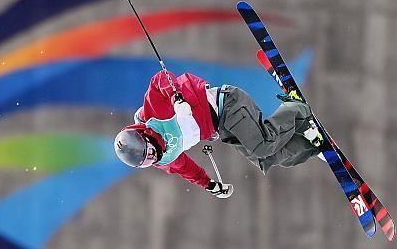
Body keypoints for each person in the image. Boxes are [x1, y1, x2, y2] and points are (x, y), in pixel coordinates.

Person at [114, 69, 325, 198]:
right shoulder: (163, 159)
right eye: (148, 160)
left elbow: (160, 78)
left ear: (144, 136)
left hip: (227, 105)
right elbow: (185, 169)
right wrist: (209, 184)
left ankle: (297, 108)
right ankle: (313, 144)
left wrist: (175, 98)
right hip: (222, 128)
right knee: (266, 160)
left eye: (149, 151)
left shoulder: (153, 113)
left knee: (263, 146)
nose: (154, 156)